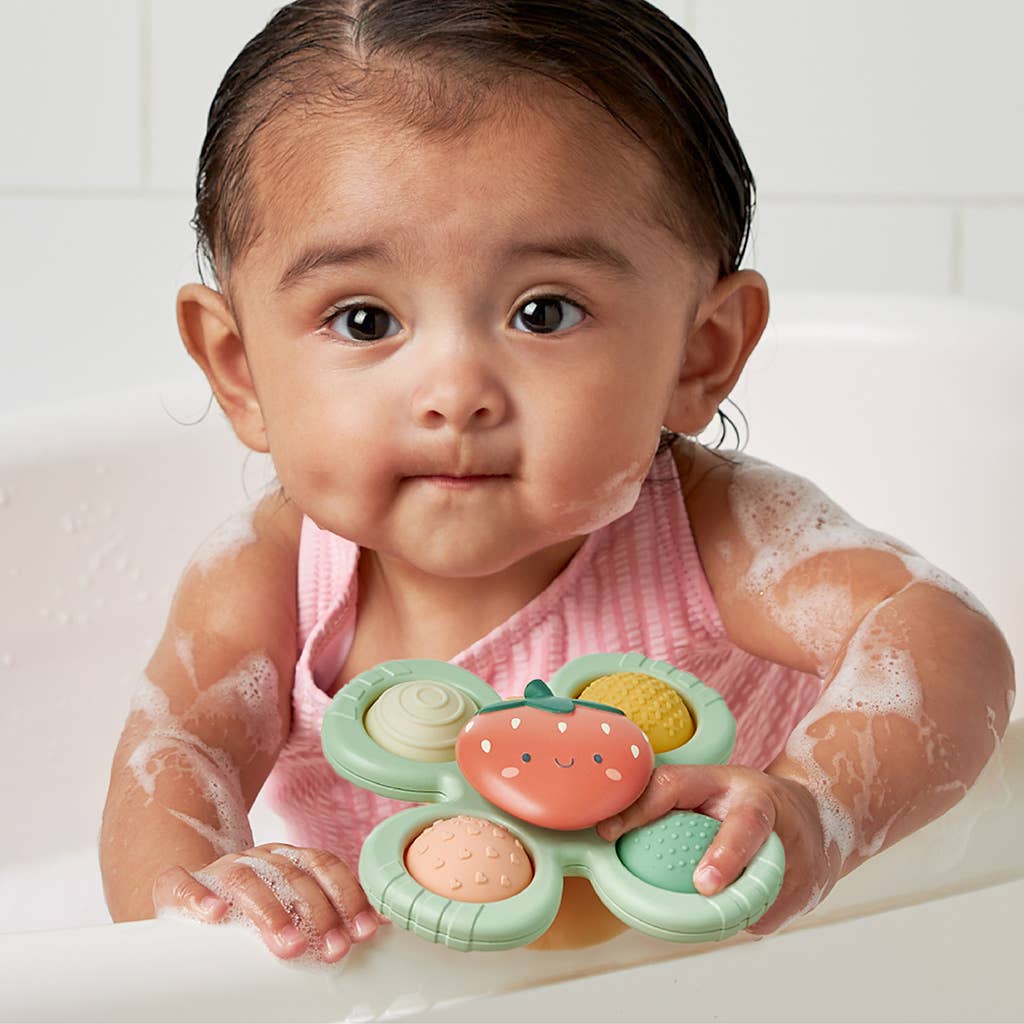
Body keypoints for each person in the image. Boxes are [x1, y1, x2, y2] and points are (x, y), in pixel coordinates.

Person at [99, 0, 1015, 964]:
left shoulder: (721, 531)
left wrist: (812, 809)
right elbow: (172, 763)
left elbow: (944, 637)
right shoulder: (269, 576)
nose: (454, 393)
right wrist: (212, 895)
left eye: (544, 311)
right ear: (238, 368)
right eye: (365, 321)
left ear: (699, 354)